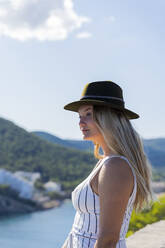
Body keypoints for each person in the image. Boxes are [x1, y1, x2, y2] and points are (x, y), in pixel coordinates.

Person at [62, 81, 154, 248]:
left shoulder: (115, 167)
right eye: (80, 116)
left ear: (109, 118)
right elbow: (78, 231)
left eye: (88, 114)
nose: (81, 122)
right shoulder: (105, 162)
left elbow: (108, 239)